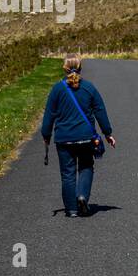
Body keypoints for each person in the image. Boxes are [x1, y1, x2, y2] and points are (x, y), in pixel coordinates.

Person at [41, 55, 116, 217]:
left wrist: (46, 134)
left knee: (67, 173)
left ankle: (71, 209)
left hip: (64, 138)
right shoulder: (89, 88)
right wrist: (108, 133)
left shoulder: (57, 89)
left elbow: (49, 114)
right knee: (86, 167)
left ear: (64, 69)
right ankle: (82, 195)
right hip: (86, 137)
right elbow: (100, 111)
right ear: (80, 68)